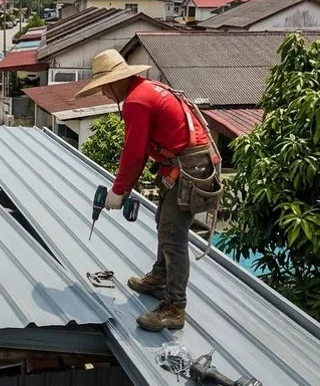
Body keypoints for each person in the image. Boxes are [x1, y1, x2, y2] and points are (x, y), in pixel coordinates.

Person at [76, 50, 221, 331]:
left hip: (188, 168)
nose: (104, 94)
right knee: (164, 224)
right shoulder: (150, 89)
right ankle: (159, 278)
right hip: (186, 165)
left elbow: (134, 153)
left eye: (103, 88)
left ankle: (174, 308)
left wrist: (118, 192)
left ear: (112, 82)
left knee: (173, 237)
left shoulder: (137, 102)